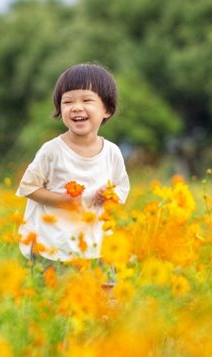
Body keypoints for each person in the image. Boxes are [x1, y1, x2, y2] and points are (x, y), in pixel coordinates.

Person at [16, 63, 130, 277]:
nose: (76, 107)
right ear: (60, 109)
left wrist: (108, 196)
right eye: (68, 101)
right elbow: (28, 187)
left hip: (98, 245)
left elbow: (122, 188)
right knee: (54, 302)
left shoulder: (112, 152)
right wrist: (63, 201)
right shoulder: (52, 151)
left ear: (107, 109)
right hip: (55, 247)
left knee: (104, 300)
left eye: (86, 100)